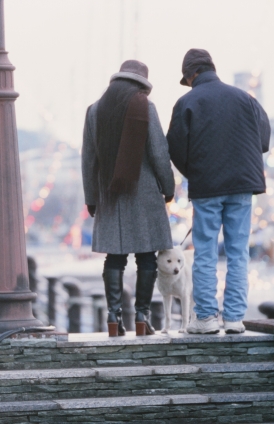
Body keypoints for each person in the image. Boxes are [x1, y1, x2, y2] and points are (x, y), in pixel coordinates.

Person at [167, 49, 271, 335]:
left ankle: (206, 318)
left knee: (205, 252)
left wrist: (195, 171)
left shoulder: (187, 102)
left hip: (207, 187)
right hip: (242, 185)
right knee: (238, 253)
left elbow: (174, 147)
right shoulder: (245, 99)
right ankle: (235, 318)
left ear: (191, 75)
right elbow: (263, 138)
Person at [82, 60, 175, 337]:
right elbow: (159, 153)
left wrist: (91, 197)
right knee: (147, 257)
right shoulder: (146, 107)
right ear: (140, 86)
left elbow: (88, 160)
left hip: (109, 196)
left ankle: (113, 317)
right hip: (143, 194)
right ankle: (142, 317)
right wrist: (168, 187)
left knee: (115, 257)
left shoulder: (95, 111)